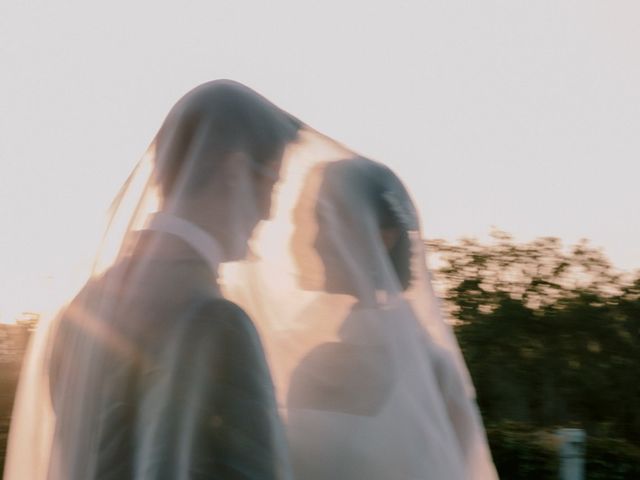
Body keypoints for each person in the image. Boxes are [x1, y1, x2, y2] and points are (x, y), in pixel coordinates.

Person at [3, 80, 300, 480]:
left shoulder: (83, 308)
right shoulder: (219, 323)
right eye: (272, 185)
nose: (267, 212)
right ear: (233, 172)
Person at [223, 156, 499, 479]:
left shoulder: (435, 375)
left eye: (325, 223)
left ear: (383, 237)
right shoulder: (313, 363)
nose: (313, 240)